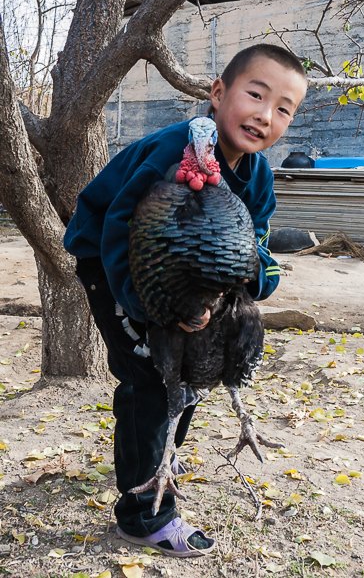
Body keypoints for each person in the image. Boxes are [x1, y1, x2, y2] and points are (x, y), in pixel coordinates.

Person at [63, 43, 307, 557]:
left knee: (191, 373)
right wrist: (147, 309)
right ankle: (142, 516)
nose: (266, 115)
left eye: (284, 108)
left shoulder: (258, 176)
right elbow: (116, 229)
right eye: (255, 95)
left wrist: (252, 283)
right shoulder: (174, 151)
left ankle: (160, 457)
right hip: (112, 267)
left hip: (182, 279)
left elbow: (256, 238)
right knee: (150, 374)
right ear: (218, 94)